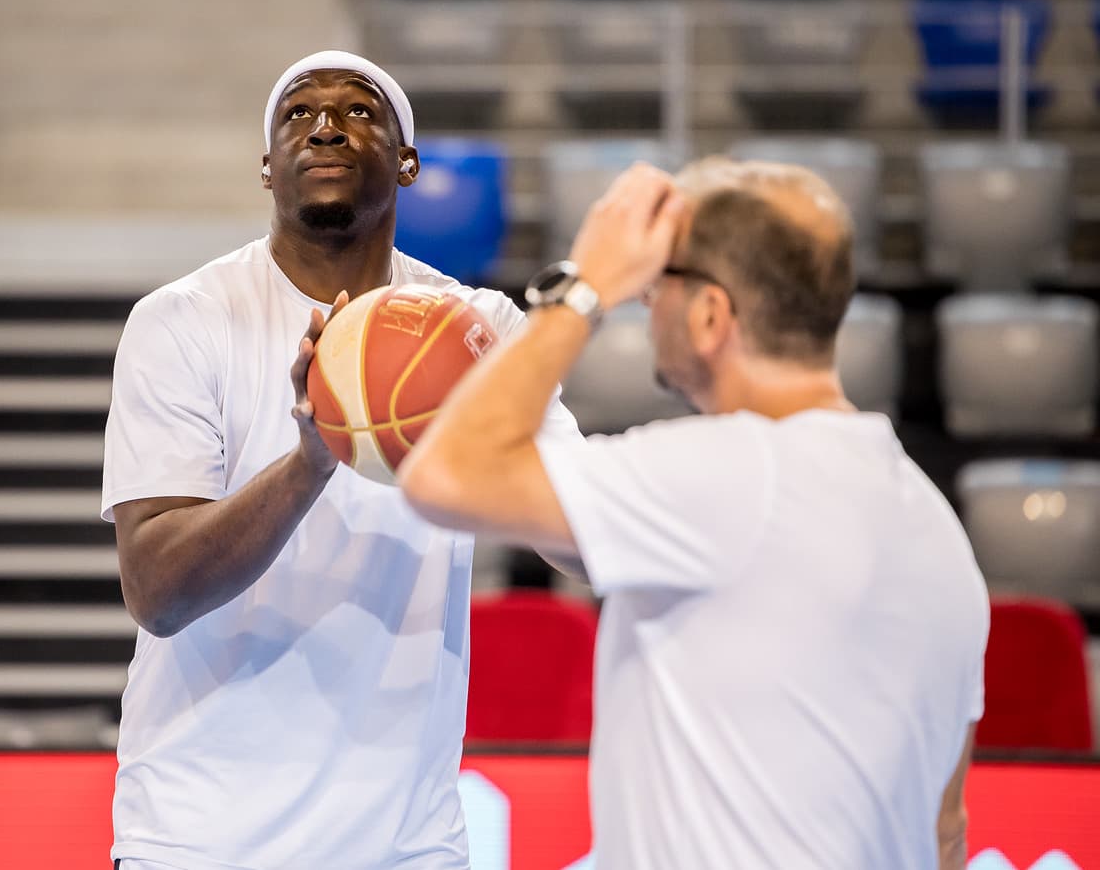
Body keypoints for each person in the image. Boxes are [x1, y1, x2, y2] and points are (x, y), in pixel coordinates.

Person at [399, 158, 989, 870]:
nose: (645, 300)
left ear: (711, 315)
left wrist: (583, 288)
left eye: (659, 280)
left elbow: (444, 472)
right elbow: (946, 831)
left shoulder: (724, 473)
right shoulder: (939, 528)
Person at [100, 50, 581, 870]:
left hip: (407, 845)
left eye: (360, 111)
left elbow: (584, 541)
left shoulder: (479, 332)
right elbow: (158, 591)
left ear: (408, 162)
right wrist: (310, 459)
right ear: (266, 167)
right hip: (200, 838)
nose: (325, 124)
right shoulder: (180, 322)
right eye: (297, 114)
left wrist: (502, 451)